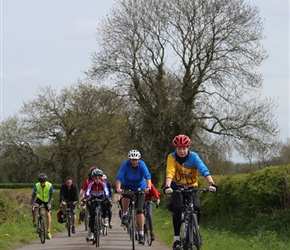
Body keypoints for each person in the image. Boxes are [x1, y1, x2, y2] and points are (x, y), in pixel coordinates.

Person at [164, 134, 218, 250]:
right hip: (177, 187)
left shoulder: (194, 157)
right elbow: (170, 171)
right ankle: (177, 239)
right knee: (178, 208)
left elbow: (203, 168)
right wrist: (167, 186)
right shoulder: (172, 157)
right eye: (179, 148)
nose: (182, 151)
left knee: (197, 208)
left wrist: (211, 183)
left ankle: (195, 229)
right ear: (175, 149)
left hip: (192, 187)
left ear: (188, 148)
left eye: (184, 148)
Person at [116, 149, 152, 245]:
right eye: (132, 160)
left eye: (136, 160)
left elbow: (148, 177)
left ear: (138, 159)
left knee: (139, 210)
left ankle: (141, 234)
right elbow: (119, 178)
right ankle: (124, 214)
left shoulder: (142, 165)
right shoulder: (125, 165)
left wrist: (148, 187)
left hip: (140, 187)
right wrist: (118, 188)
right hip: (127, 185)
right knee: (126, 195)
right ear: (129, 160)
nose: (134, 161)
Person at [84, 168, 110, 241]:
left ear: (101, 178)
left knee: (104, 204)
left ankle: (105, 218)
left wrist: (107, 197)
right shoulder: (91, 184)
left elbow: (107, 191)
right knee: (92, 215)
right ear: (93, 178)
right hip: (93, 198)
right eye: (95, 178)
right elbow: (87, 191)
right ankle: (91, 232)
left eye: (99, 178)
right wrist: (88, 197)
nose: (97, 179)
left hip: (101, 197)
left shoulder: (103, 183)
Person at [30, 173, 54, 239]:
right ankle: (34, 221)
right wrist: (31, 204)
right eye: (41, 182)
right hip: (40, 199)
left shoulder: (50, 185)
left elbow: (51, 195)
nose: (42, 183)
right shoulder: (36, 185)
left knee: (47, 214)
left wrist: (49, 203)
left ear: (46, 181)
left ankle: (48, 231)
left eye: (43, 182)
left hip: (47, 200)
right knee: (34, 208)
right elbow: (33, 195)